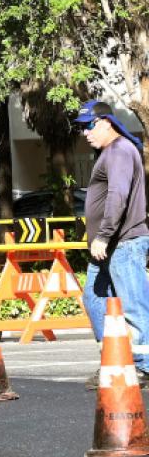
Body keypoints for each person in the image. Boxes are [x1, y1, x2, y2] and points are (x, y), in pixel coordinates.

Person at [75, 100, 149, 387]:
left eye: (89, 125)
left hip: (124, 243)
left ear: (106, 122)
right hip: (110, 247)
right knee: (94, 299)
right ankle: (114, 359)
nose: (85, 133)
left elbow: (117, 195)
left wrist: (104, 234)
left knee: (133, 306)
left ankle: (143, 366)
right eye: (81, 128)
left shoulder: (119, 152)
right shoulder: (109, 153)